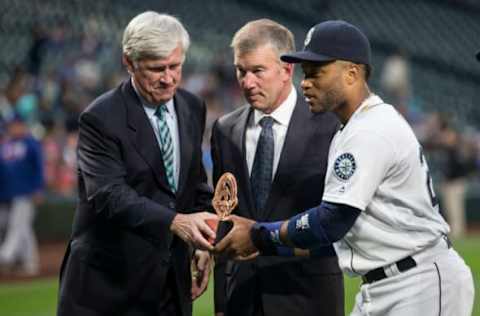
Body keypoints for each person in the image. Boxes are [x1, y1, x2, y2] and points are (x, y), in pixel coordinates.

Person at [214, 20, 475, 316]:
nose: (305, 82)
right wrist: (263, 244)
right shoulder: (349, 130)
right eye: (305, 72)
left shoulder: (370, 130)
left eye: (317, 72)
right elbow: (330, 238)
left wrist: (259, 235)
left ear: (352, 73)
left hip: (418, 283)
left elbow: (331, 221)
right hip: (383, 284)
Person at [57, 12, 217, 316]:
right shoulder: (100, 117)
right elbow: (108, 193)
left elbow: (194, 186)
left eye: (175, 66)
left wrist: (204, 241)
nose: (168, 78)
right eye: (157, 69)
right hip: (108, 287)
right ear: (129, 62)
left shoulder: (192, 107)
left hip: (169, 286)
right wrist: (177, 222)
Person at [210, 19, 343, 316]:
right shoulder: (225, 129)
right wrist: (221, 300)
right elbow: (225, 217)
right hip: (241, 297)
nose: (247, 82)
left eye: (258, 71)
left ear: (287, 70)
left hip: (307, 295)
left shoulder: (330, 127)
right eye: (240, 71)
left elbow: (334, 220)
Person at [0, 113, 44, 276]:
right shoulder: (6, 144)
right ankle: (30, 263)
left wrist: (38, 188)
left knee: (18, 226)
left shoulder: (31, 143)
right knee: (23, 228)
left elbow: (39, 167)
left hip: (26, 192)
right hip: (7, 194)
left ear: (22, 125)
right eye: (11, 126)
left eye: (15, 125)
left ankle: (5, 256)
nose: (12, 128)